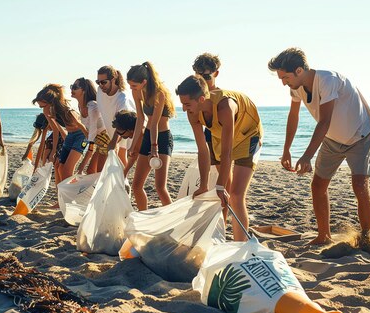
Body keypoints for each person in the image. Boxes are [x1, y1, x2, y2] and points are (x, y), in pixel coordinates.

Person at [268, 47, 370, 245]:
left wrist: (307, 155)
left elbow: (324, 120)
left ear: (299, 71)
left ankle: (368, 239)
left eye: (285, 77)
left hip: (359, 136)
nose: (284, 83)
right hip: (331, 139)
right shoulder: (296, 87)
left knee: (359, 185)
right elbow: (294, 116)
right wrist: (286, 149)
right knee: (318, 186)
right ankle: (323, 236)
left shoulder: (328, 80)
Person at [176, 74, 263, 241]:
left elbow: (227, 153)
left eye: (187, 104)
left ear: (201, 99)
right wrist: (202, 185)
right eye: (182, 104)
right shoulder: (193, 113)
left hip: (248, 135)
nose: (184, 109)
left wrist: (221, 185)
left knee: (236, 195)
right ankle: (221, 237)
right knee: (218, 192)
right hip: (220, 135)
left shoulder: (225, 107)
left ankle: (240, 245)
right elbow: (202, 150)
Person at [126, 62, 175, 210]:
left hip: (163, 138)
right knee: (136, 185)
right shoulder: (137, 92)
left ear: (144, 82)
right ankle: (144, 216)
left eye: (134, 85)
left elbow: (155, 123)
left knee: (160, 187)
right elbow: (141, 120)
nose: (131, 88)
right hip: (148, 136)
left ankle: (172, 220)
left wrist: (155, 148)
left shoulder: (159, 94)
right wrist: (133, 145)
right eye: (130, 85)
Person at [32, 84, 88, 184]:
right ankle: (61, 196)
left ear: (50, 102)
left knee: (67, 170)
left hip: (81, 136)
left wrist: (91, 142)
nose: (42, 109)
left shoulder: (66, 109)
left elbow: (82, 127)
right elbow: (56, 130)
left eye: (43, 106)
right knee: (58, 166)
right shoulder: (47, 111)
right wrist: (54, 151)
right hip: (69, 136)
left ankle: (70, 195)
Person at [96, 65, 135, 170]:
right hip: (111, 132)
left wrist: (113, 142)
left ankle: (124, 183)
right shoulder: (100, 91)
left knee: (119, 161)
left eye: (104, 82)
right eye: (98, 82)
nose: (101, 85)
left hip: (124, 132)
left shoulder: (122, 99)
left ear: (113, 80)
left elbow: (123, 124)